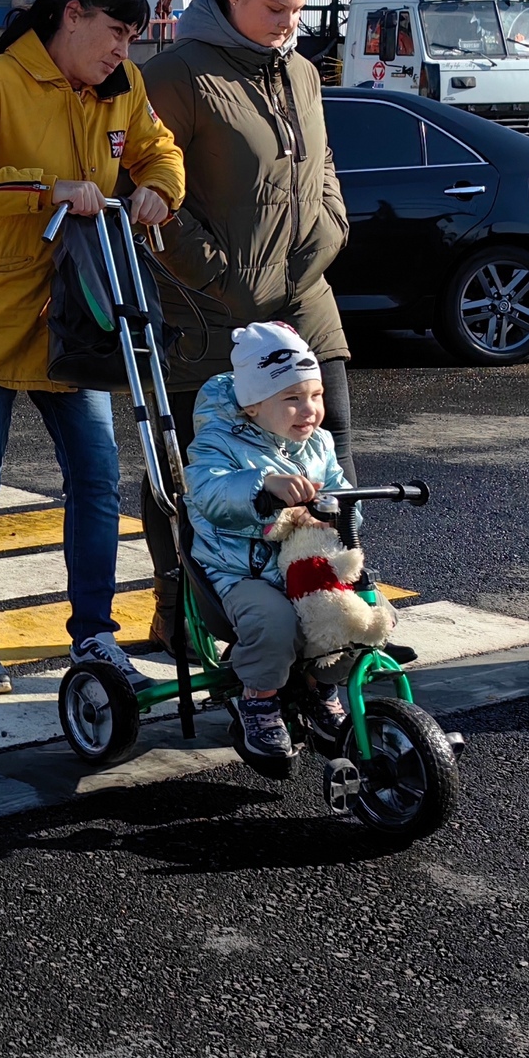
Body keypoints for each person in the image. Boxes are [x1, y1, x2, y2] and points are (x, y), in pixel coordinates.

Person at [0, 0, 187, 694]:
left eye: (132, 38)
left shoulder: (122, 90)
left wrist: (160, 186)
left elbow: (160, 150)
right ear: (71, 15)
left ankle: (94, 637)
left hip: (85, 316)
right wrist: (44, 191)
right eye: (114, 32)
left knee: (97, 481)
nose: (121, 52)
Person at [140, 0, 353, 658]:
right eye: (275, 10)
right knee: (195, 476)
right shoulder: (177, 75)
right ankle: (184, 609)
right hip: (209, 317)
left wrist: (327, 235)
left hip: (305, 309)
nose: (289, 25)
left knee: (329, 469)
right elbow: (150, 196)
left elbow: (323, 172)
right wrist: (222, 278)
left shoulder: (301, 73)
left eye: (297, 12)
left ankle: (324, 617)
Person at [184, 322, 356, 778]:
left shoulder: (318, 444)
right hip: (240, 569)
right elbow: (207, 491)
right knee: (274, 621)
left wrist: (340, 514)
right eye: (293, 398)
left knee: (352, 615)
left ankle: (321, 689)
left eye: (316, 396)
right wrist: (262, 488)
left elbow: (341, 493)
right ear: (254, 405)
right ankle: (258, 701)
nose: (310, 410)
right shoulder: (220, 442)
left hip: (299, 561)